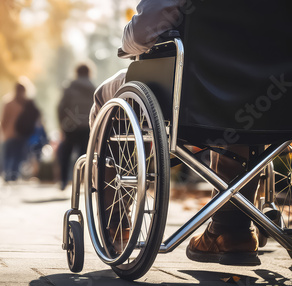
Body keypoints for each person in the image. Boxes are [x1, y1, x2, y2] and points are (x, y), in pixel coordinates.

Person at [90, 0, 260, 265]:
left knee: (105, 96)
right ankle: (232, 231)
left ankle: (117, 223)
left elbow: (144, 33)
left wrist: (126, 43)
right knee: (245, 110)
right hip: (267, 97)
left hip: (191, 93)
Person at [57, 64, 95, 190]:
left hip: (71, 126)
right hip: (87, 126)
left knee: (66, 153)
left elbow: (61, 108)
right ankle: (85, 182)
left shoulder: (69, 88)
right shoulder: (94, 88)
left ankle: (63, 181)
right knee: (85, 155)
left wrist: (62, 124)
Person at [0, 83, 39, 182]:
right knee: (17, 156)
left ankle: (7, 174)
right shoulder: (27, 103)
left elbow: (3, 120)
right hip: (22, 134)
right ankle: (13, 175)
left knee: (8, 156)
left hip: (9, 134)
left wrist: (3, 132)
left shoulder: (8, 103)